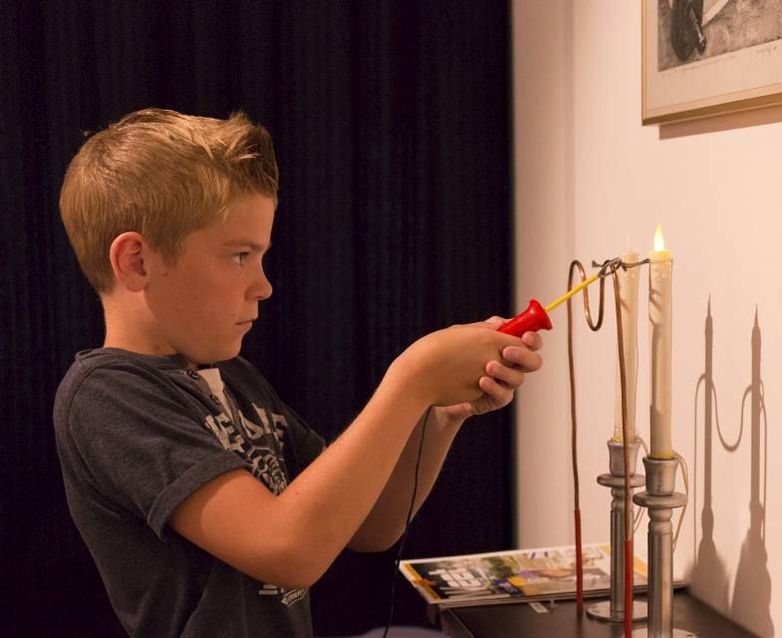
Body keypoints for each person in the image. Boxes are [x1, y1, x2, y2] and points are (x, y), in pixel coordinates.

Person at [53, 108, 543, 637]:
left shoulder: (232, 377)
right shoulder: (107, 398)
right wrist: (411, 379)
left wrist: (439, 414)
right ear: (137, 263)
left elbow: (369, 523)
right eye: (240, 255)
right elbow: (288, 550)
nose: (262, 285)